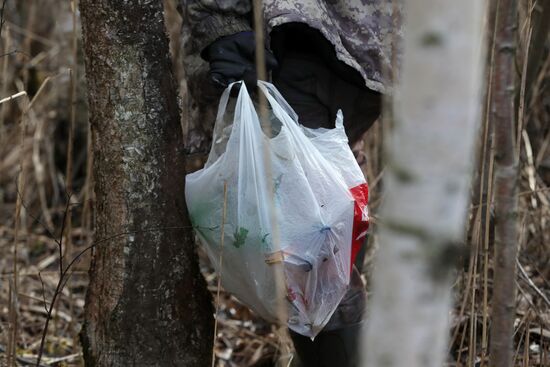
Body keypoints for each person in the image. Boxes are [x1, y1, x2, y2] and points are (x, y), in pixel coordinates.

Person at [178, 1, 399, 366]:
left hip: (304, 47)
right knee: (326, 234)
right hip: (364, 52)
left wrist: (221, 25)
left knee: (312, 252)